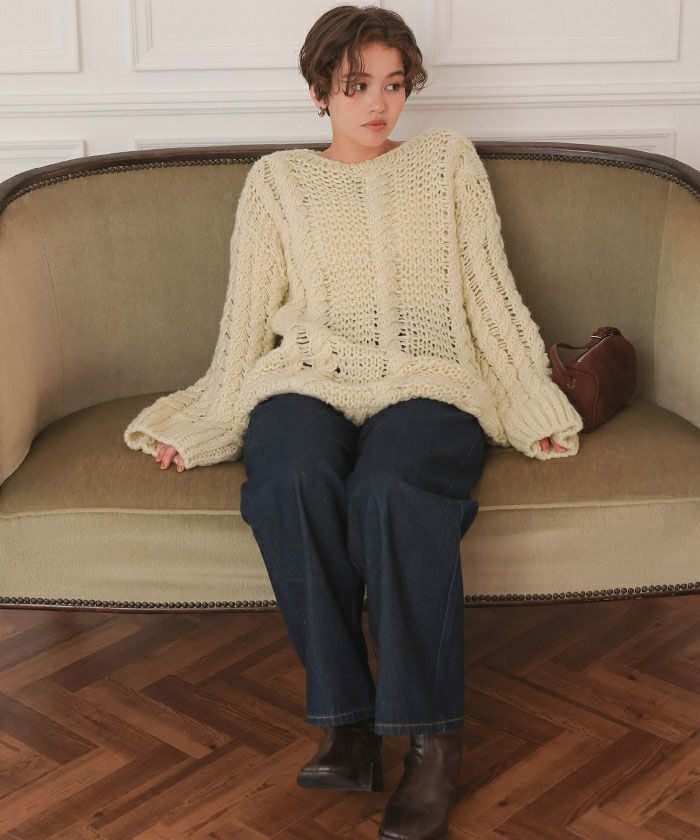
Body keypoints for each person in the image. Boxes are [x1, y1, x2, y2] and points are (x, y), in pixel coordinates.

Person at [127, 6, 583, 837]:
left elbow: (490, 293)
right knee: (291, 478)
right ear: (319, 92)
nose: (378, 103)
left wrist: (529, 398)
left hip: (429, 379)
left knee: (391, 491)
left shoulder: (447, 163)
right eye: (357, 85)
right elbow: (245, 319)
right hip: (305, 376)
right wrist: (207, 419)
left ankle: (432, 746)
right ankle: (347, 724)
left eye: (394, 85)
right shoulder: (277, 181)